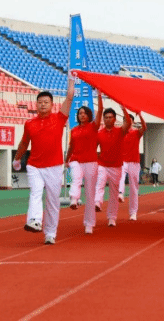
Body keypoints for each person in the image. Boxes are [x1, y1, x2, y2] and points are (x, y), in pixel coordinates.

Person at [13, 73, 75, 244]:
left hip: (54, 166)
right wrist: (17, 159)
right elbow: (24, 143)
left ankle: (50, 233)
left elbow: (69, 98)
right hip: (34, 165)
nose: (42, 105)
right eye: (40, 102)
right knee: (35, 192)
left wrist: (71, 81)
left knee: (53, 201)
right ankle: (34, 221)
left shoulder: (59, 118)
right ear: (36, 104)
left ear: (51, 104)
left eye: (46, 102)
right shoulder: (29, 124)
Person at [64, 91, 103, 234]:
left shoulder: (93, 127)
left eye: (84, 113)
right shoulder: (73, 130)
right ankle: (74, 198)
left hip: (91, 162)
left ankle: (89, 224)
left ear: (89, 115)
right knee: (76, 178)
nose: (82, 115)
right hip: (76, 160)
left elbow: (100, 112)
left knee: (90, 194)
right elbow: (71, 147)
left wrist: (99, 95)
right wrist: (66, 159)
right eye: (80, 113)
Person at [94, 106, 132, 227]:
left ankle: (112, 217)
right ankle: (97, 202)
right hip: (103, 165)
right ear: (103, 120)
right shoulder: (99, 134)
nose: (108, 119)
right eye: (106, 117)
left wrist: (123, 109)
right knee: (99, 184)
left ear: (115, 119)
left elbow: (129, 122)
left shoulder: (120, 131)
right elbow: (93, 149)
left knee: (114, 194)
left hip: (116, 167)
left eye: (110, 117)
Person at [118, 113, 146, 220]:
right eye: (125, 120)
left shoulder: (136, 133)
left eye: (129, 120)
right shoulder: (119, 132)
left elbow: (144, 127)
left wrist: (140, 115)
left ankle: (133, 212)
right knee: (120, 176)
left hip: (134, 162)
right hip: (122, 161)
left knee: (134, 188)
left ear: (133, 122)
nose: (127, 122)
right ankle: (120, 193)